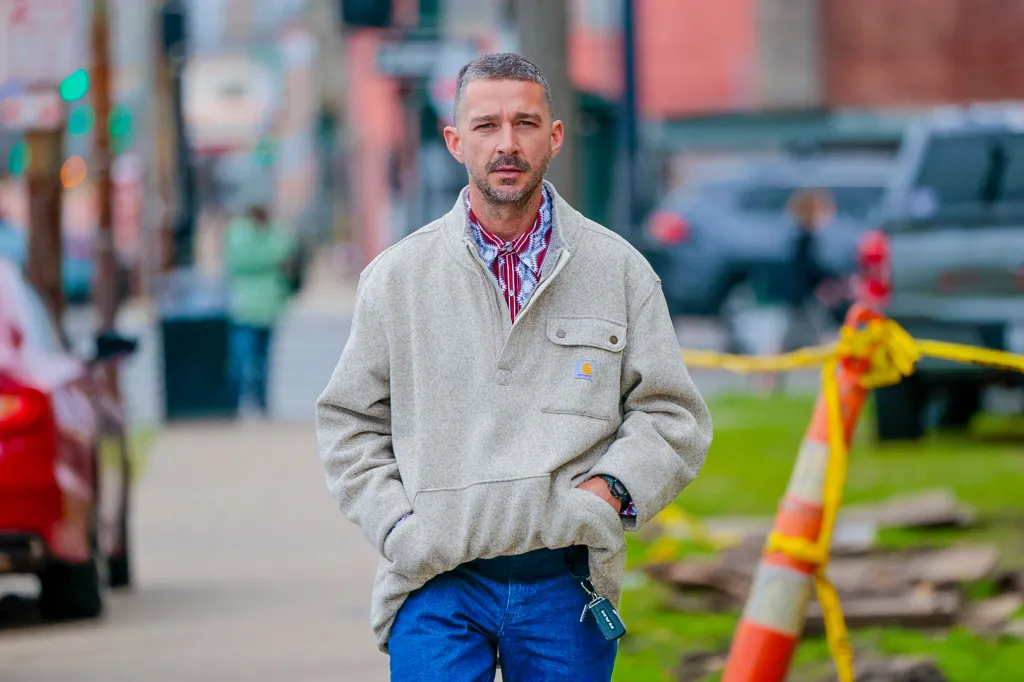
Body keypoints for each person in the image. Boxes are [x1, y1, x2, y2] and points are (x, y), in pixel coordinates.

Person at [315, 53, 712, 681]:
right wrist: (399, 527)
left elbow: (672, 416)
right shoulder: (396, 279)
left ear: (553, 137)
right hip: (435, 583)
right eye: (486, 126)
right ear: (455, 142)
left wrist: (609, 494)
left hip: (566, 582)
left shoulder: (620, 271)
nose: (506, 144)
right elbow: (349, 424)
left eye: (525, 124)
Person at [225, 205, 296, 417]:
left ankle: (259, 402)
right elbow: (273, 254)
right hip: (245, 310)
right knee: (243, 361)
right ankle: (240, 402)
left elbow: (287, 249)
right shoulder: (242, 235)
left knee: (261, 361)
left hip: (265, 308)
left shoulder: (269, 234)